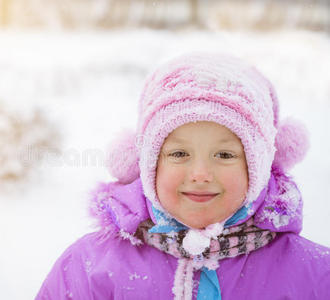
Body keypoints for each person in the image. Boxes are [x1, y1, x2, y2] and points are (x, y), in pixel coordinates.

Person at [36, 53, 330, 299]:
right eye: (179, 154)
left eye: (225, 155)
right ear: (149, 163)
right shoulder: (87, 268)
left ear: (258, 167)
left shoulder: (314, 275)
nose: (200, 174)